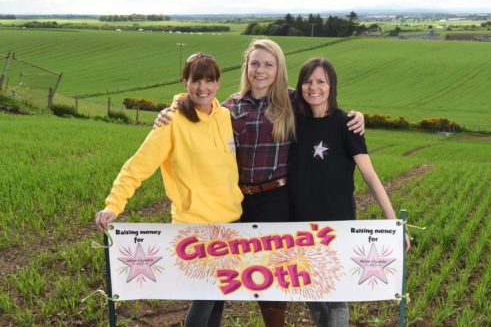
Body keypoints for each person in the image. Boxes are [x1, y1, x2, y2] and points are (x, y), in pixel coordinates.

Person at [154, 38, 365, 327]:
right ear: (246, 67)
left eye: (268, 64)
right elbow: (199, 106)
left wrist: (356, 117)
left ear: (278, 69)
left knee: (273, 276)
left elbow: (324, 108)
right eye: (255, 63)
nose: (260, 70)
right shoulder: (230, 107)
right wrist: (172, 107)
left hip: (277, 200)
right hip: (237, 203)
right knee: (222, 275)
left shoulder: (293, 102)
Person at [95, 53, 243, 327]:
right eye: (195, 80)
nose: (202, 88)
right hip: (195, 225)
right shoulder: (171, 122)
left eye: (209, 81)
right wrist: (113, 205)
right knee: (206, 295)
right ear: (185, 82)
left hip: (230, 222)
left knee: (220, 294)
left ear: (218, 83)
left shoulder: (224, 116)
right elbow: (137, 166)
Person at [289, 57, 411, 327]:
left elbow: (369, 175)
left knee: (336, 298)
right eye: (308, 81)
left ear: (332, 86)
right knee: (312, 295)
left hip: (337, 226)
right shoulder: (293, 120)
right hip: (300, 227)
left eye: (321, 81)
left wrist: (394, 222)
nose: (314, 87)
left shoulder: (347, 124)